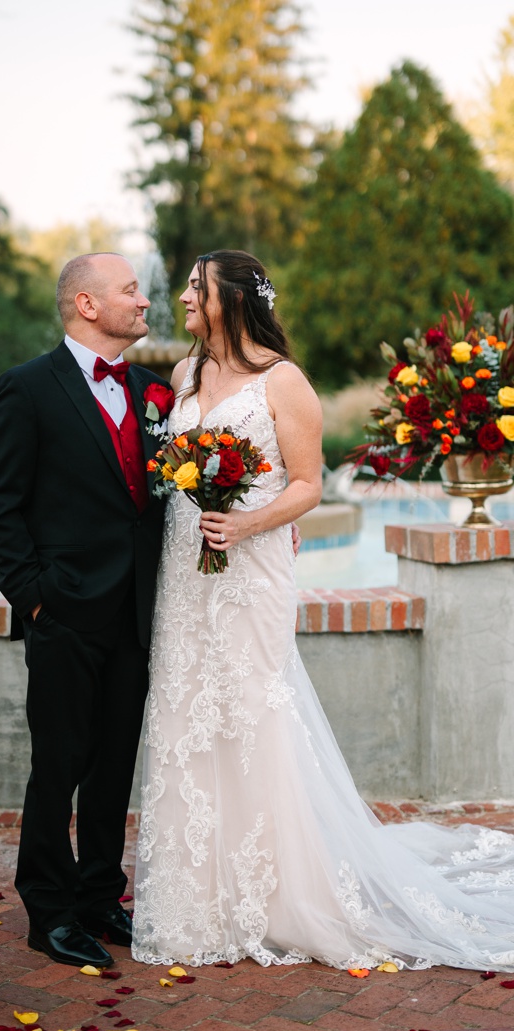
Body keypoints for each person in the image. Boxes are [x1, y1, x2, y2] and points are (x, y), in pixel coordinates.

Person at [132, 249, 514, 972]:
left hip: (254, 565)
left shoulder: (286, 381)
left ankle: (279, 899)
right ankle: (195, 899)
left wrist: (243, 524)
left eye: (195, 287)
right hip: (188, 570)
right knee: (186, 714)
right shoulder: (184, 375)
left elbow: (309, 486)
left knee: (252, 711)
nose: (183, 296)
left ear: (233, 300)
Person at [0, 253, 169, 968]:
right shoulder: (28, 389)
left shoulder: (154, 392)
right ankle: (50, 911)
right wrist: (33, 596)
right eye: (130, 291)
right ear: (87, 304)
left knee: (115, 765)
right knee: (58, 765)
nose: (144, 301)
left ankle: (98, 895)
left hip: (138, 612)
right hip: (62, 612)